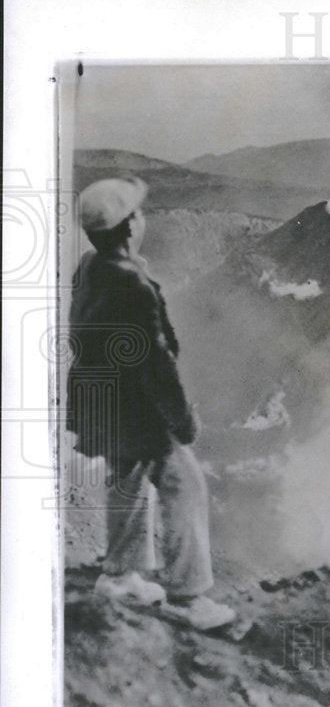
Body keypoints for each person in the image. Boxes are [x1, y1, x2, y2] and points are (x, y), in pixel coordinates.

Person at [66, 176, 235, 631]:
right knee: (185, 484)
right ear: (128, 225)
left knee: (127, 480)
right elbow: (157, 364)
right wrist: (182, 422)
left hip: (104, 403)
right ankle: (188, 595)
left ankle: (120, 576)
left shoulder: (89, 267)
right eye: (137, 214)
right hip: (139, 410)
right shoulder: (134, 286)